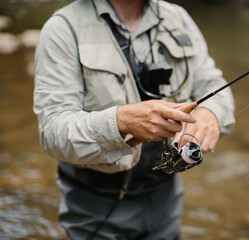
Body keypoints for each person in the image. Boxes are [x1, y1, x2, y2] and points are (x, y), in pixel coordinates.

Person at [33, 0, 235, 239]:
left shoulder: (178, 18)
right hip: (92, 206)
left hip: (167, 200)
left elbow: (213, 85)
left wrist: (210, 112)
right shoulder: (62, 28)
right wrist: (120, 121)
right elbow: (52, 131)